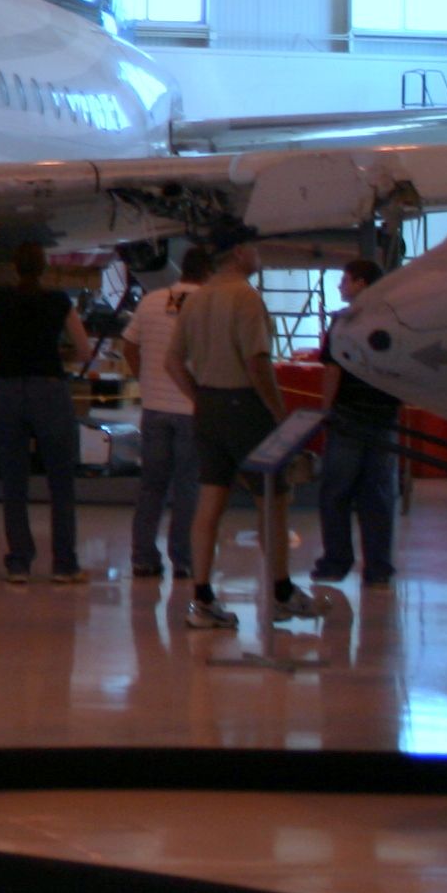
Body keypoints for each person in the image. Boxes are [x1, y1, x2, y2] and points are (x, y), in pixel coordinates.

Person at [183, 243, 303, 631]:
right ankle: (281, 594)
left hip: (209, 408)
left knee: (210, 501)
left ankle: (202, 598)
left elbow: (171, 361)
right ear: (237, 252)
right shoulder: (246, 298)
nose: (259, 255)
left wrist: (199, 396)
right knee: (273, 499)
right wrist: (278, 411)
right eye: (254, 248)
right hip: (245, 408)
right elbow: (257, 362)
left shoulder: (196, 299)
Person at [0, 243, 84, 584]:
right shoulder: (59, 301)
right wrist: (58, 354)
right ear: (44, 267)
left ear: (15, 267)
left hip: (8, 389)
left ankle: (19, 562)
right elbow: (83, 348)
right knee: (61, 481)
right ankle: (64, 563)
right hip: (49, 390)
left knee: (14, 481)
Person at [313, 260, 401, 589]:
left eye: (345, 280)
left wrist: (325, 411)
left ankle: (336, 560)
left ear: (361, 283)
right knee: (377, 495)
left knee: (335, 492)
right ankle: (378, 566)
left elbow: (332, 370)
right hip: (384, 418)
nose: (340, 287)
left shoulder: (344, 323)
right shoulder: (395, 321)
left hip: (348, 417)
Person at [123, 247, 208, 581]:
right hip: (192, 408)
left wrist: (145, 379)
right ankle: (183, 559)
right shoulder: (210, 304)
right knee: (188, 486)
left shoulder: (152, 300)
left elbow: (129, 345)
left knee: (152, 486)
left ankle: (143, 557)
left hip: (154, 408)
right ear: (209, 274)